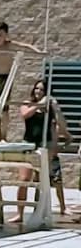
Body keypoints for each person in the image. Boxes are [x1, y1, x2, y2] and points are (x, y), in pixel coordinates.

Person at [18, 77, 71, 220]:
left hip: (44, 145)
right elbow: (24, 114)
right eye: (37, 88)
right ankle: (20, 213)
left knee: (43, 179)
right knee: (23, 179)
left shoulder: (50, 108)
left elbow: (61, 123)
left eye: (42, 89)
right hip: (29, 143)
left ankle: (41, 210)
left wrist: (55, 107)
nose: (38, 91)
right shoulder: (27, 103)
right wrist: (39, 105)